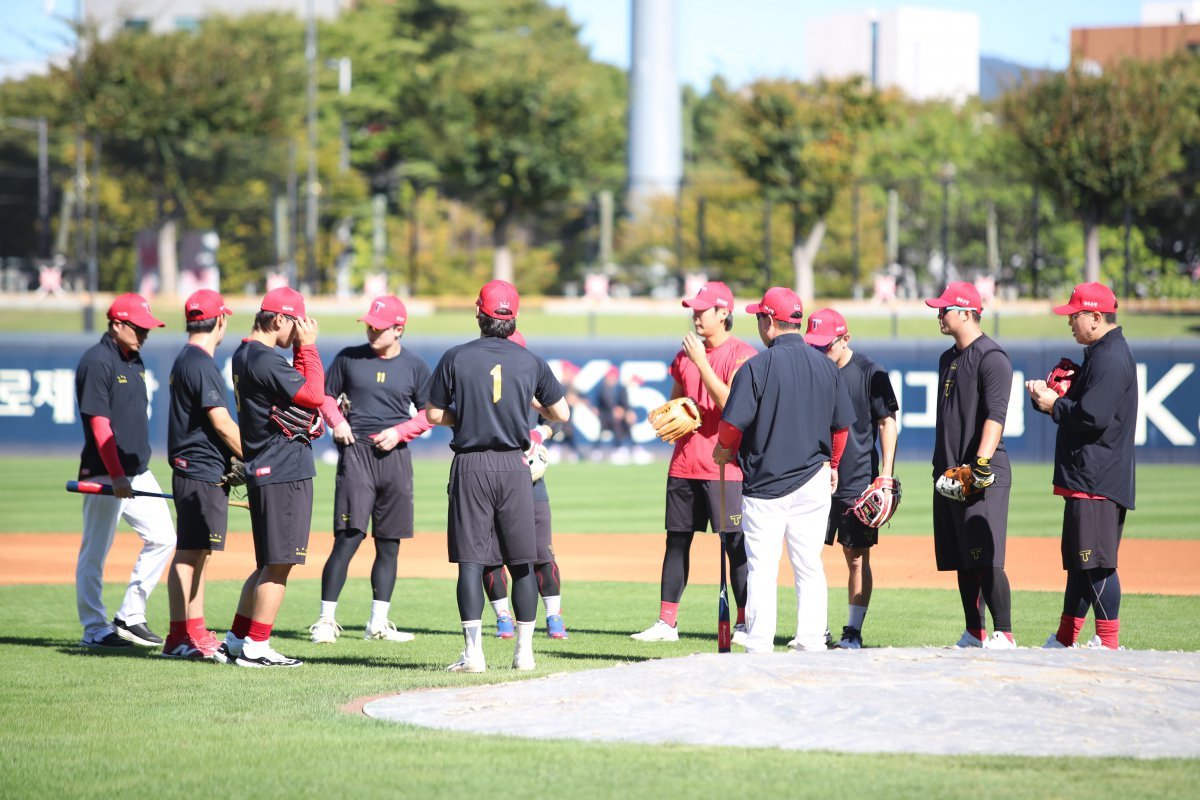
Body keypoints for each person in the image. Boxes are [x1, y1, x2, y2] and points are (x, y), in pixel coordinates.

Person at [425, 280, 569, 673]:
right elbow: (562, 414)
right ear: (513, 317)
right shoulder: (532, 361)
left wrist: (467, 416)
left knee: (471, 562)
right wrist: (524, 408)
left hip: (471, 465)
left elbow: (434, 415)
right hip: (514, 465)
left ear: (480, 314)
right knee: (523, 561)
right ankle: (525, 653)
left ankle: (474, 655)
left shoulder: (455, 357)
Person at [713, 287, 853, 654]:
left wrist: (723, 449)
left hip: (766, 485)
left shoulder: (757, 367)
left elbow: (731, 427)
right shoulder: (826, 365)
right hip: (815, 479)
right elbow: (841, 428)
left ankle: (759, 643)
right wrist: (834, 465)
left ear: (770, 321)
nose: (758, 323)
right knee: (809, 563)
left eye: (759, 317)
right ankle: (810, 640)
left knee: (762, 568)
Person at [631, 281, 757, 645]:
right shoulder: (683, 355)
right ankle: (666, 622)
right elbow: (676, 402)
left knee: (735, 545)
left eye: (703, 310)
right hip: (684, 464)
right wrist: (674, 412)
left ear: (724, 314)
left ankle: (745, 623)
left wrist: (702, 362)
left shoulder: (741, 355)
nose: (695, 315)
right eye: (694, 309)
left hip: (726, 468)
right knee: (676, 541)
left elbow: (733, 405)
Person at [308, 295, 431, 645]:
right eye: (369, 325)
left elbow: (429, 413)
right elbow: (326, 396)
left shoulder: (416, 367)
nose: (371, 331)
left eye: (378, 327)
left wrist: (400, 431)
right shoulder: (349, 358)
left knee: (389, 544)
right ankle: (325, 621)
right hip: (356, 453)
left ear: (398, 329)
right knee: (348, 538)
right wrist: (336, 421)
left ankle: (378, 623)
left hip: (395, 457)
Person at [218, 287, 325, 668]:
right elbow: (313, 394)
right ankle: (257, 647)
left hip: (265, 466)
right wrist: (308, 349)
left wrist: (299, 349)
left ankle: (235, 639)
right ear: (279, 319)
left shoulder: (245, 353)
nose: (298, 332)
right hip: (283, 470)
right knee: (280, 565)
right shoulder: (264, 358)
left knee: (267, 563)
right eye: (295, 324)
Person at [1026, 282, 1136, 650]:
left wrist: (1054, 404)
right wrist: (1058, 395)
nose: (1070, 322)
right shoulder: (1100, 353)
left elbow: (1094, 416)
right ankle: (1064, 638)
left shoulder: (1110, 357)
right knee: (1081, 563)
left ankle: (1108, 643)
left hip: (1097, 477)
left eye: (1075, 316)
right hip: (1088, 475)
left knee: (1097, 564)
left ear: (1096, 316)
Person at [74, 293, 177, 649]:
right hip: (105, 473)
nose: (144, 334)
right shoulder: (97, 362)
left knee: (165, 537)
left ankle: (130, 615)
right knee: (95, 551)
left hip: (137, 470)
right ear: (117, 324)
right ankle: (93, 627)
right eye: (138, 327)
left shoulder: (135, 360)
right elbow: (101, 426)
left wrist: (128, 472)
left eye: (147, 328)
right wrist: (116, 474)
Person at [926, 282, 1017, 649]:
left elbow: (996, 416)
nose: (938, 315)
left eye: (944, 309)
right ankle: (974, 631)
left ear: (965, 312)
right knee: (963, 559)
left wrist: (980, 464)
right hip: (950, 472)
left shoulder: (992, 357)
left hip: (983, 473)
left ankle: (1005, 632)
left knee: (985, 556)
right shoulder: (947, 358)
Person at [804, 307, 898, 650]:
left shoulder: (871, 372)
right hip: (811, 477)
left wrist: (885, 475)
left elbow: (887, 422)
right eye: (814, 344)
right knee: (806, 555)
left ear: (846, 339)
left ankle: (853, 631)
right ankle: (815, 629)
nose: (820, 351)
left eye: (826, 344)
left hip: (857, 480)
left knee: (856, 556)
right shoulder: (814, 370)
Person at [162, 290, 241, 659]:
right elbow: (222, 423)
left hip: (200, 466)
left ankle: (194, 629)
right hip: (198, 467)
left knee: (200, 551)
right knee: (189, 552)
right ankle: (179, 636)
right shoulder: (201, 363)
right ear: (221, 320)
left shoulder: (186, 359)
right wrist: (254, 457)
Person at [481, 329, 569, 641]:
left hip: (531, 480)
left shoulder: (530, 375)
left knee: (541, 552)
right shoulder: (479, 379)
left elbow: (559, 415)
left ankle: (553, 616)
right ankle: (504, 616)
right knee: (490, 554)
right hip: (490, 474)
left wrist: (540, 434)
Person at [594, 366, 636, 463]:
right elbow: (607, 404)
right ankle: (617, 448)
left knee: (625, 421)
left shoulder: (619, 389)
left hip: (617, 417)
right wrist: (616, 410)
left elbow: (624, 404)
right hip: (605, 418)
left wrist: (628, 412)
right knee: (616, 420)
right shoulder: (602, 389)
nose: (612, 379)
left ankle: (633, 447)